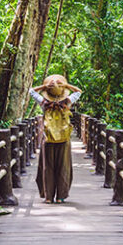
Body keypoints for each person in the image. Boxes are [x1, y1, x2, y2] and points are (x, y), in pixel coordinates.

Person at [30, 74, 82, 203]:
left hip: (48, 138)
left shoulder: (43, 103)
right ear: (63, 91)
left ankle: (48, 197)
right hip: (64, 138)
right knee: (63, 166)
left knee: (47, 166)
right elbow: (79, 91)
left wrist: (44, 86)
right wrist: (66, 85)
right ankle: (60, 196)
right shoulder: (68, 101)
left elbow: (31, 91)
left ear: (48, 92)